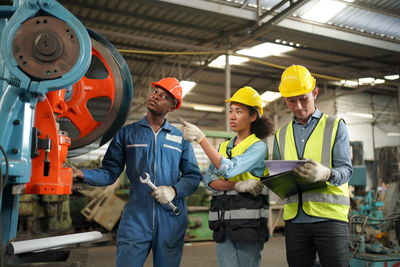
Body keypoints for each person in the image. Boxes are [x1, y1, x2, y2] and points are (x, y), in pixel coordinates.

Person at [73, 77, 202, 267]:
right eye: (156, 92)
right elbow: (109, 173)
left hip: (171, 219)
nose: (156, 97)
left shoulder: (180, 138)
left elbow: (193, 177)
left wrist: (173, 191)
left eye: (164, 96)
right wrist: (82, 174)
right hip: (136, 218)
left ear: (172, 107)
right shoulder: (127, 133)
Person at [179, 86, 274, 267]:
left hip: (248, 227)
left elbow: (229, 170)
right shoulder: (223, 148)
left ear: (253, 116)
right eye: (231, 111)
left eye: (239, 111)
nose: (232, 116)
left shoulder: (257, 147)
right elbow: (209, 182)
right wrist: (236, 186)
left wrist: (201, 139)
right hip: (223, 225)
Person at [273, 65, 352, 267]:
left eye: (303, 99)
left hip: (330, 220)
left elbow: (346, 170)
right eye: (292, 100)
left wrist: (326, 173)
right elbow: (275, 172)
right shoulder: (281, 135)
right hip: (295, 221)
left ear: (315, 93)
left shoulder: (335, 126)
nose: (298, 106)